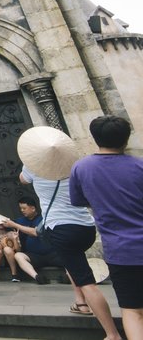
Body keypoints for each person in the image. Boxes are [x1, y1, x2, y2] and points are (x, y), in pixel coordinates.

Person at [17, 126, 121, 340]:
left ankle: (112, 334)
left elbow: (22, 179)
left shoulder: (33, 168)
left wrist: (30, 160)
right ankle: (80, 302)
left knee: (87, 281)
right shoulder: (74, 167)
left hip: (61, 228)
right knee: (73, 263)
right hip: (85, 227)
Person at [70, 115, 143, 340]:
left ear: (94, 137)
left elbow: (78, 200)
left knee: (133, 310)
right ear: (126, 138)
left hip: (121, 251)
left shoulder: (81, 168)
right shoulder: (139, 165)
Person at [4, 196, 65, 284]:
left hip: (52, 254)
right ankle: (37, 277)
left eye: (24, 208)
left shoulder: (44, 219)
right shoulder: (20, 220)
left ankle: (69, 277)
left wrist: (15, 225)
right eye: (20, 208)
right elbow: (6, 225)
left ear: (33, 208)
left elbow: (35, 232)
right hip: (35, 256)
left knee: (69, 254)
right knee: (18, 256)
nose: (22, 210)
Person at [0, 215, 21, 282]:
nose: (0, 224)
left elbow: (18, 250)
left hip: (13, 256)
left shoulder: (12, 233)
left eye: (1, 222)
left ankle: (14, 275)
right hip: (0, 259)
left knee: (7, 249)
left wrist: (15, 239)